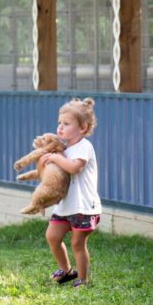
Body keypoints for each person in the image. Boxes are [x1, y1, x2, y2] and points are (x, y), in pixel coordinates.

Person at [41, 97, 102, 288]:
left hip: (84, 206)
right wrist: (45, 162)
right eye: (59, 123)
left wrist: (55, 159)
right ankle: (67, 270)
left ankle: (83, 279)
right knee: (52, 236)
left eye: (66, 124)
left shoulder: (84, 147)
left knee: (77, 243)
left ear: (82, 128)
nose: (60, 127)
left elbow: (74, 167)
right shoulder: (63, 149)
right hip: (66, 205)